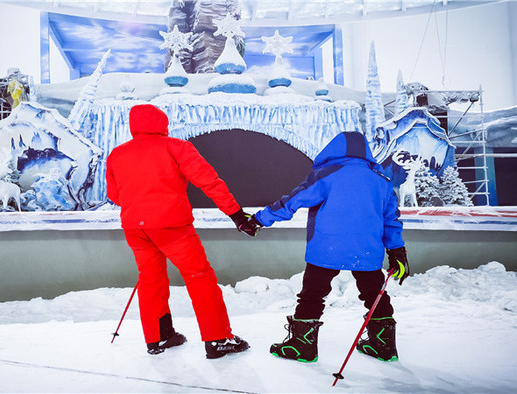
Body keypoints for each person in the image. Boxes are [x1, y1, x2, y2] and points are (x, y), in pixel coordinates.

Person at [106, 104, 256, 359]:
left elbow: (114, 195)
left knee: (150, 281)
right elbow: (208, 181)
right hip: (172, 227)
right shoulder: (176, 147)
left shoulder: (117, 154)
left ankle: (159, 337)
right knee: (200, 278)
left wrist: (141, 205)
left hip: (135, 229)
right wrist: (237, 215)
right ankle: (218, 339)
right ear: (162, 124)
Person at [247, 131, 410, 363]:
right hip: (367, 251)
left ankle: (302, 346)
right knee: (375, 295)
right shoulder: (381, 181)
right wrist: (397, 252)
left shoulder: (326, 175)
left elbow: (293, 201)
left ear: (334, 149)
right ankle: (383, 346)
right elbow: (391, 221)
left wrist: (259, 220)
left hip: (325, 249)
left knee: (312, 295)